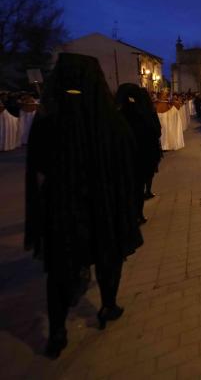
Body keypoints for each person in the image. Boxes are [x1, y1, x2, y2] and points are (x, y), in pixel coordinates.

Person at [25, 53, 143, 358]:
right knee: (108, 255)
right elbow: (129, 164)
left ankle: (57, 332)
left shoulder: (48, 119)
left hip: (64, 206)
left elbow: (37, 169)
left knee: (61, 268)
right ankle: (108, 304)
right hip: (104, 203)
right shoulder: (110, 120)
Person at [116, 84, 162, 224]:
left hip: (126, 159)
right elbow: (157, 131)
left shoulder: (117, 115)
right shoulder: (147, 112)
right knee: (138, 186)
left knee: (129, 188)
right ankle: (138, 214)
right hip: (143, 156)